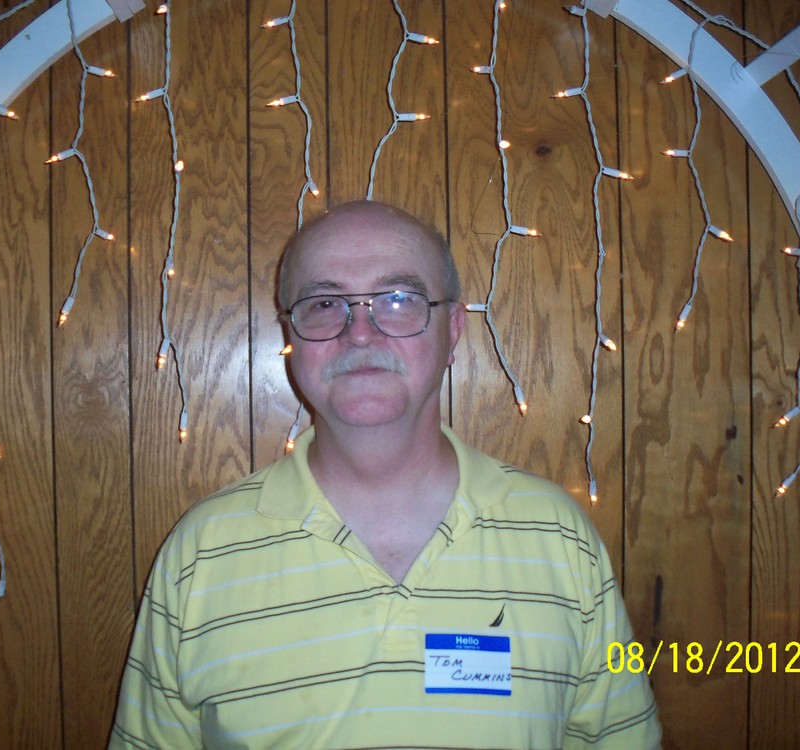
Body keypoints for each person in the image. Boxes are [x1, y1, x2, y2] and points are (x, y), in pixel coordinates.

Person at [109, 200, 662, 748]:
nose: (360, 333)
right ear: (291, 337)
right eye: (325, 303)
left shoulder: (561, 539)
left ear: (452, 330)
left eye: (398, 300)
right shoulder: (201, 554)